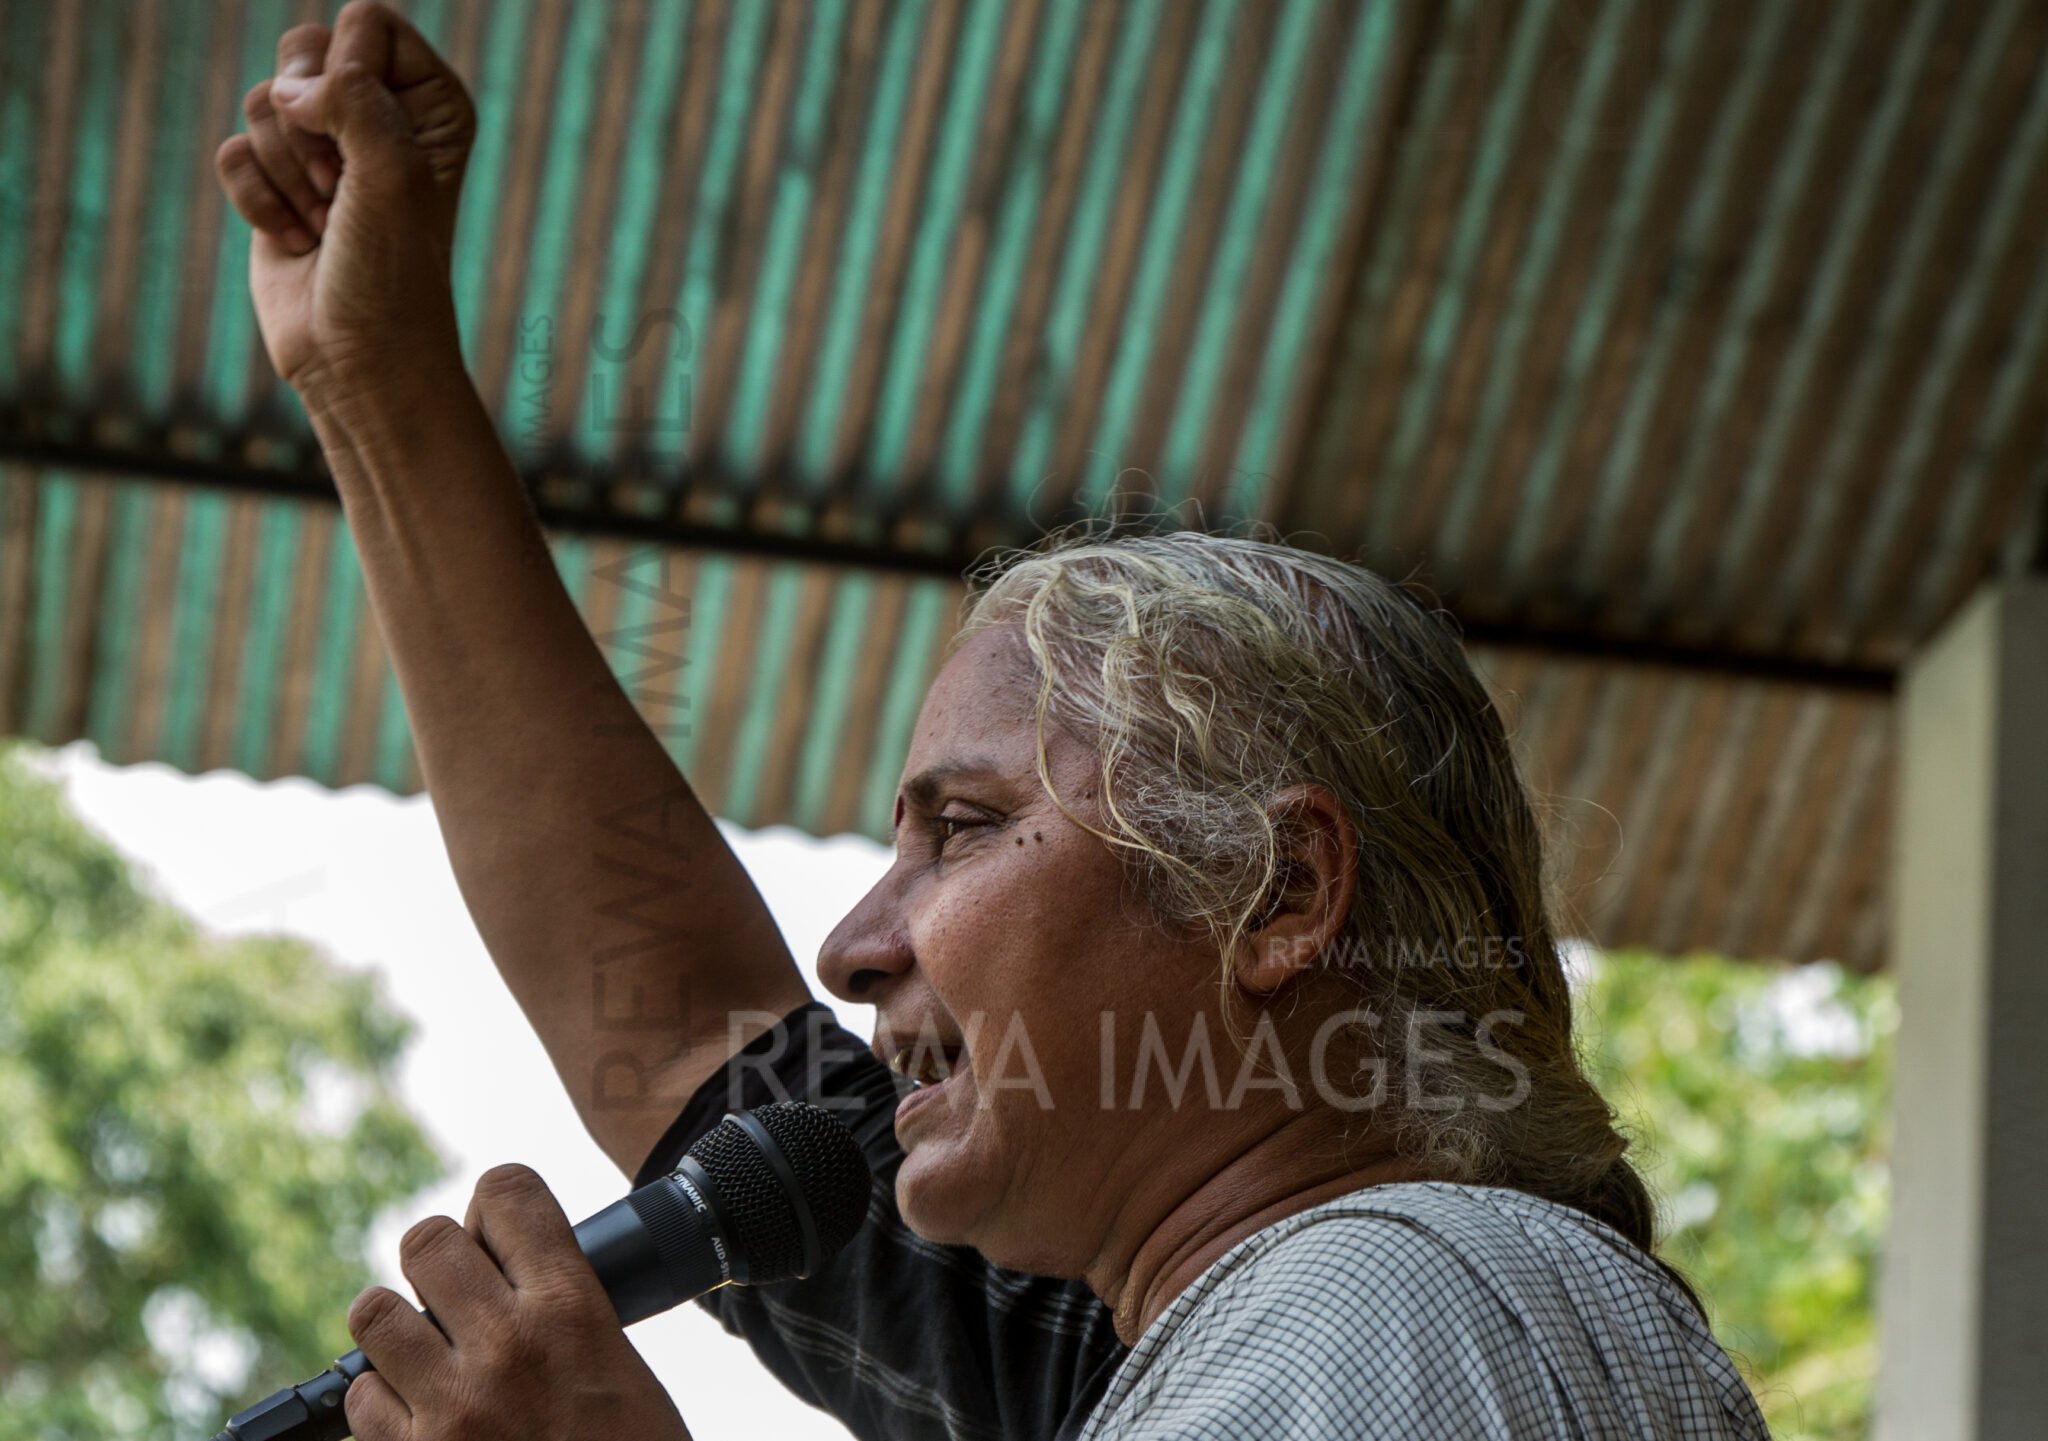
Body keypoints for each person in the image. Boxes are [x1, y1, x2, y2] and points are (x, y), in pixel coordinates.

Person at [214, 7, 1771, 1438]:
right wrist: (368, 375)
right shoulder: (1204, 1329)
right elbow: (688, 1023)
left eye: (963, 827)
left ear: (1279, 891)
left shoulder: (1378, 1302)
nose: (850, 946)